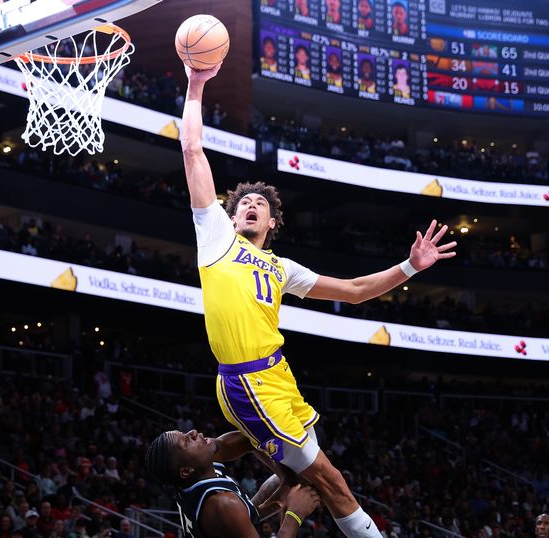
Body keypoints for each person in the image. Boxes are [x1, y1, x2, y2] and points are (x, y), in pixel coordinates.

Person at [179, 61, 457, 538]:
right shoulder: (216, 238)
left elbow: (353, 291)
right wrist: (197, 83)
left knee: (294, 477)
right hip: (248, 383)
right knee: (328, 478)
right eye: (243, 202)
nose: (250, 205)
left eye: (260, 205)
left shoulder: (283, 268)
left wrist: (411, 266)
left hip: (278, 375)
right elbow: (191, 148)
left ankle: (230, 517)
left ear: (272, 224)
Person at [145, 429, 320, 537]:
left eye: (184, 433)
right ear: (186, 471)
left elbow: (249, 438)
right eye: (186, 441)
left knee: (300, 475)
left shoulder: (196, 471)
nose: (193, 432)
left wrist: (286, 479)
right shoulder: (222, 504)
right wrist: (295, 515)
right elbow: (232, 513)